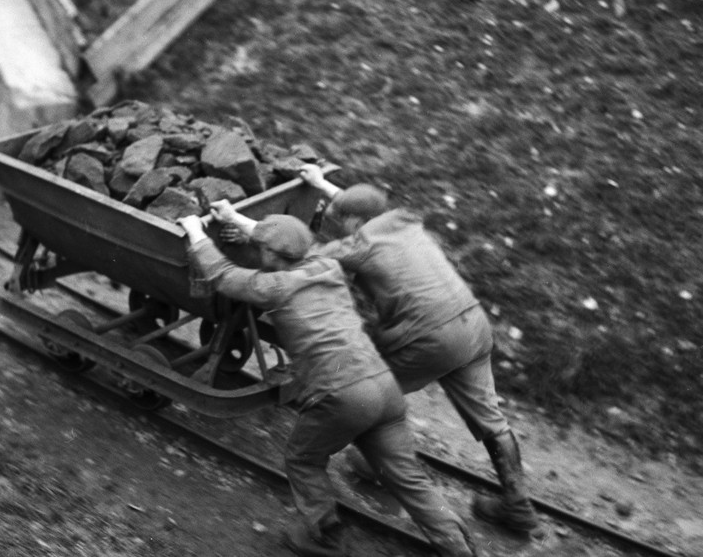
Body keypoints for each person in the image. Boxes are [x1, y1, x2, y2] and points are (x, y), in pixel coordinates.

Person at [178, 211, 478, 557]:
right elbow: (293, 243)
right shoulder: (328, 267)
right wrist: (237, 219)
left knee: (303, 458)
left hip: (342, 394)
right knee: (405, 475)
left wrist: (194, 230)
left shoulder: (275, 287)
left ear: (273, 256)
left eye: (263, 250)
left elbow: (222, 274)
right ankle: (456, 545)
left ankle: (323, 536)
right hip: (384, 387)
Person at [286, 164, 540, 537]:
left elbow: (302, 256)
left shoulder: (360, 243)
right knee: (492, 421)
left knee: (368, 393)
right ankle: (518, 506)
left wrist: (247, 229)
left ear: (356, 221)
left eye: (344, 221)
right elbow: (360, 208)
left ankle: (382, 472)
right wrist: (320, 184)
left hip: (428, 338)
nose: (342, 226)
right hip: (472, 324)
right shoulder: (404, 222)